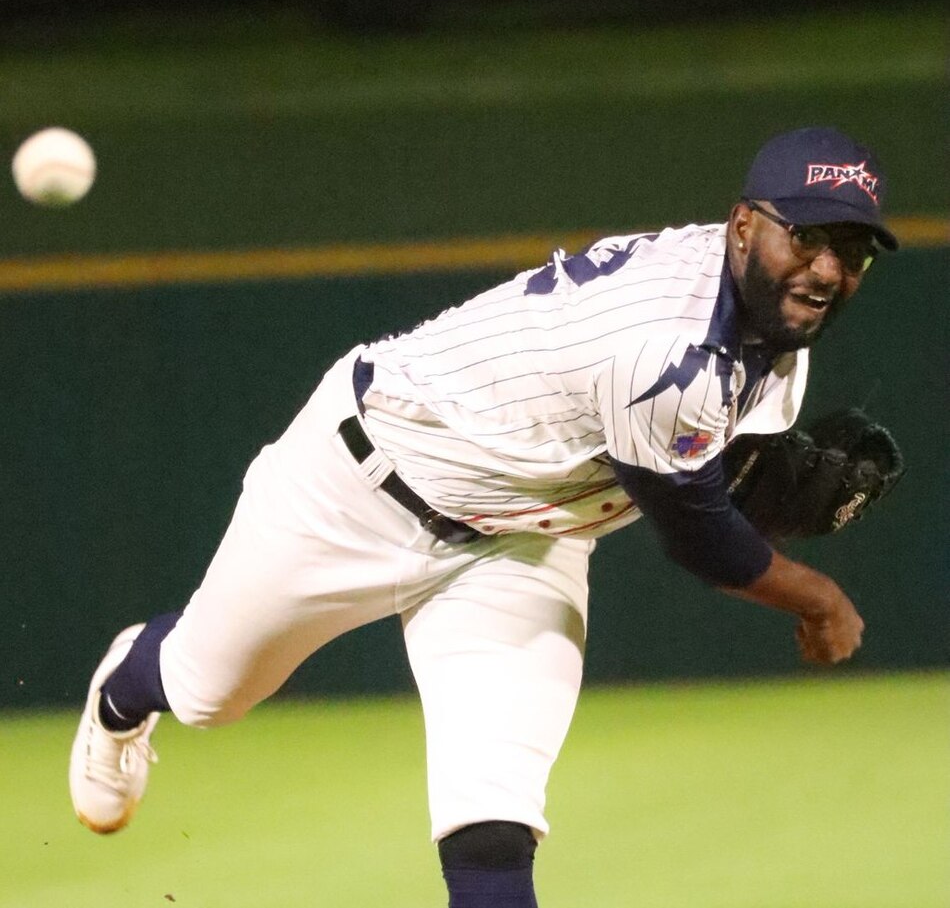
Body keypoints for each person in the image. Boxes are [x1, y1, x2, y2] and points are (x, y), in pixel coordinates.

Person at [69, 126, 897, 907]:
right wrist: (819, 599)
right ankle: (123, 688)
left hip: (522, 543)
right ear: (744, 226)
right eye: (809, 237)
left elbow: (720, 482)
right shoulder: (662, 344)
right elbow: (696, 532)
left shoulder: (774, 327)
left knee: (494, 808)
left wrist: (754, 490)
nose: (827, 269)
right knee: (207, 690)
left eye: (852, 249)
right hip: (357, 484)